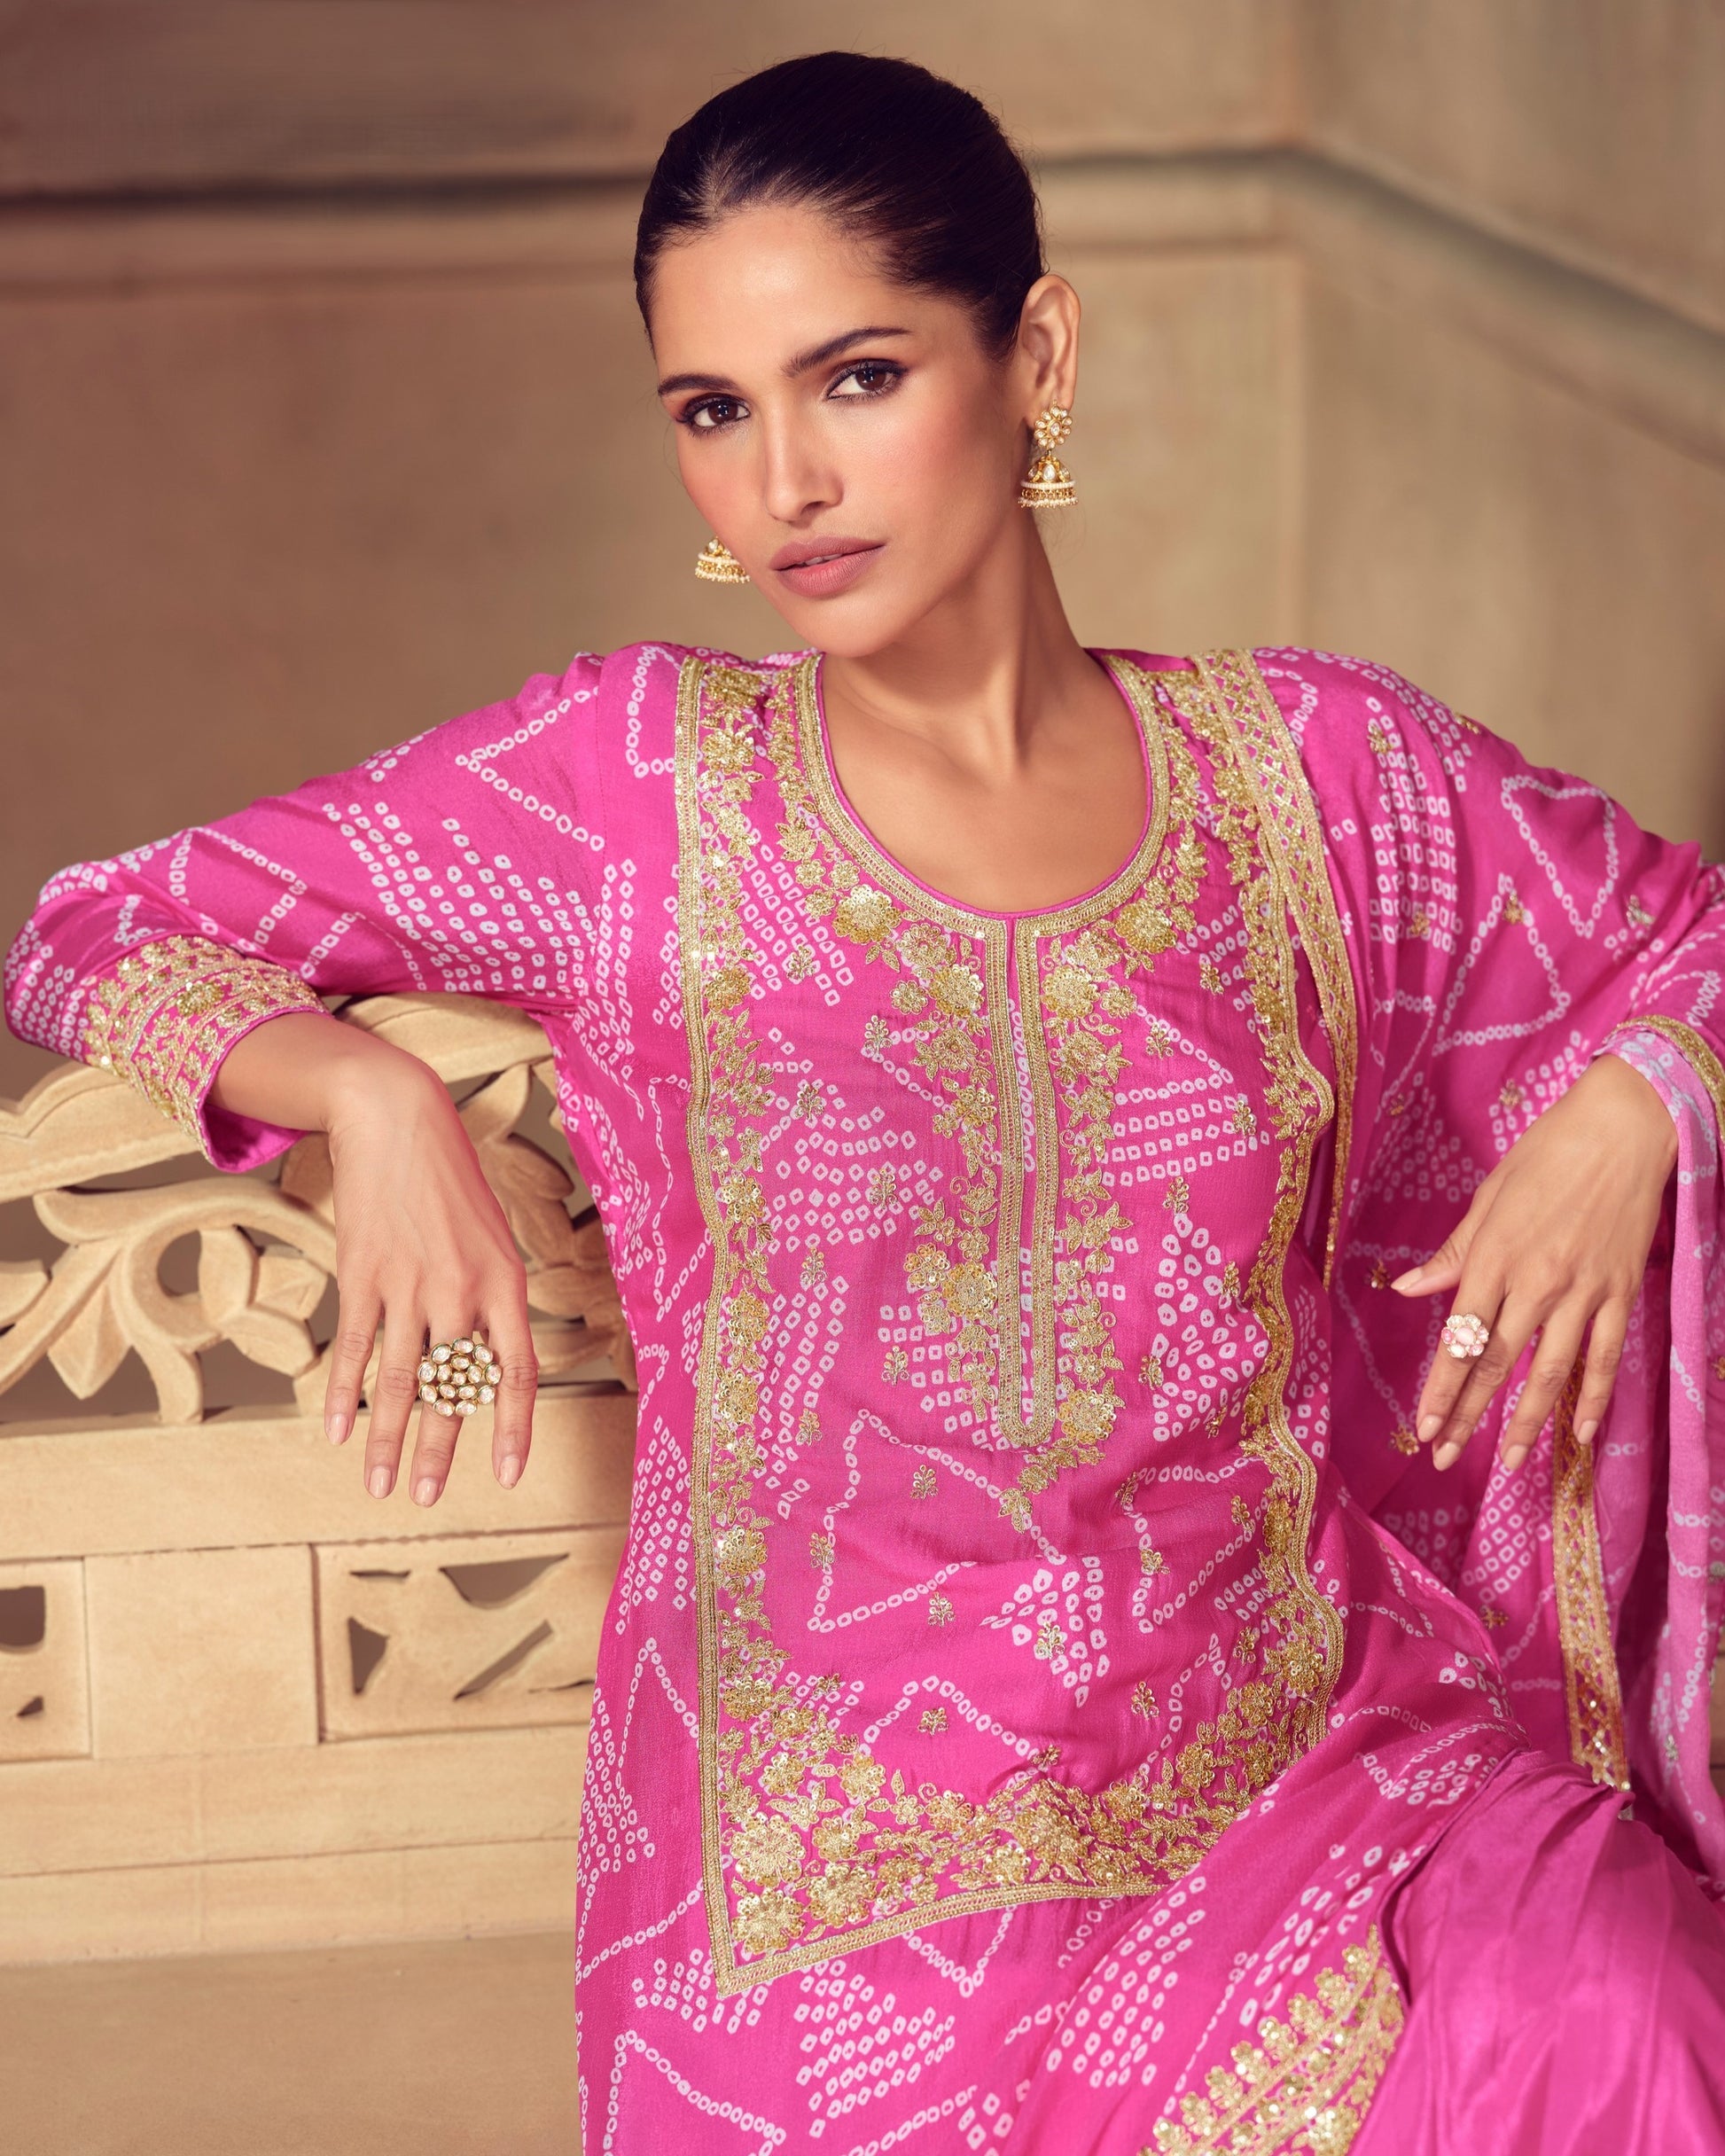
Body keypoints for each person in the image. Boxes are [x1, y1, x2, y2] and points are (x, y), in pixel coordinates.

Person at [8, 49, 1725, 2154]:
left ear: (1038, 355)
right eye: (712, 411)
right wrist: (357, 1090)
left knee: (1635, 2008)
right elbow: (86, 927)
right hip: (829, 1906)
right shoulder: (628, 790)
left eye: (856, 378)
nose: (786, 484)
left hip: (1310, 1769)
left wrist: (1636, 1100)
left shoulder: (1318, 781)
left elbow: (1693, 946)